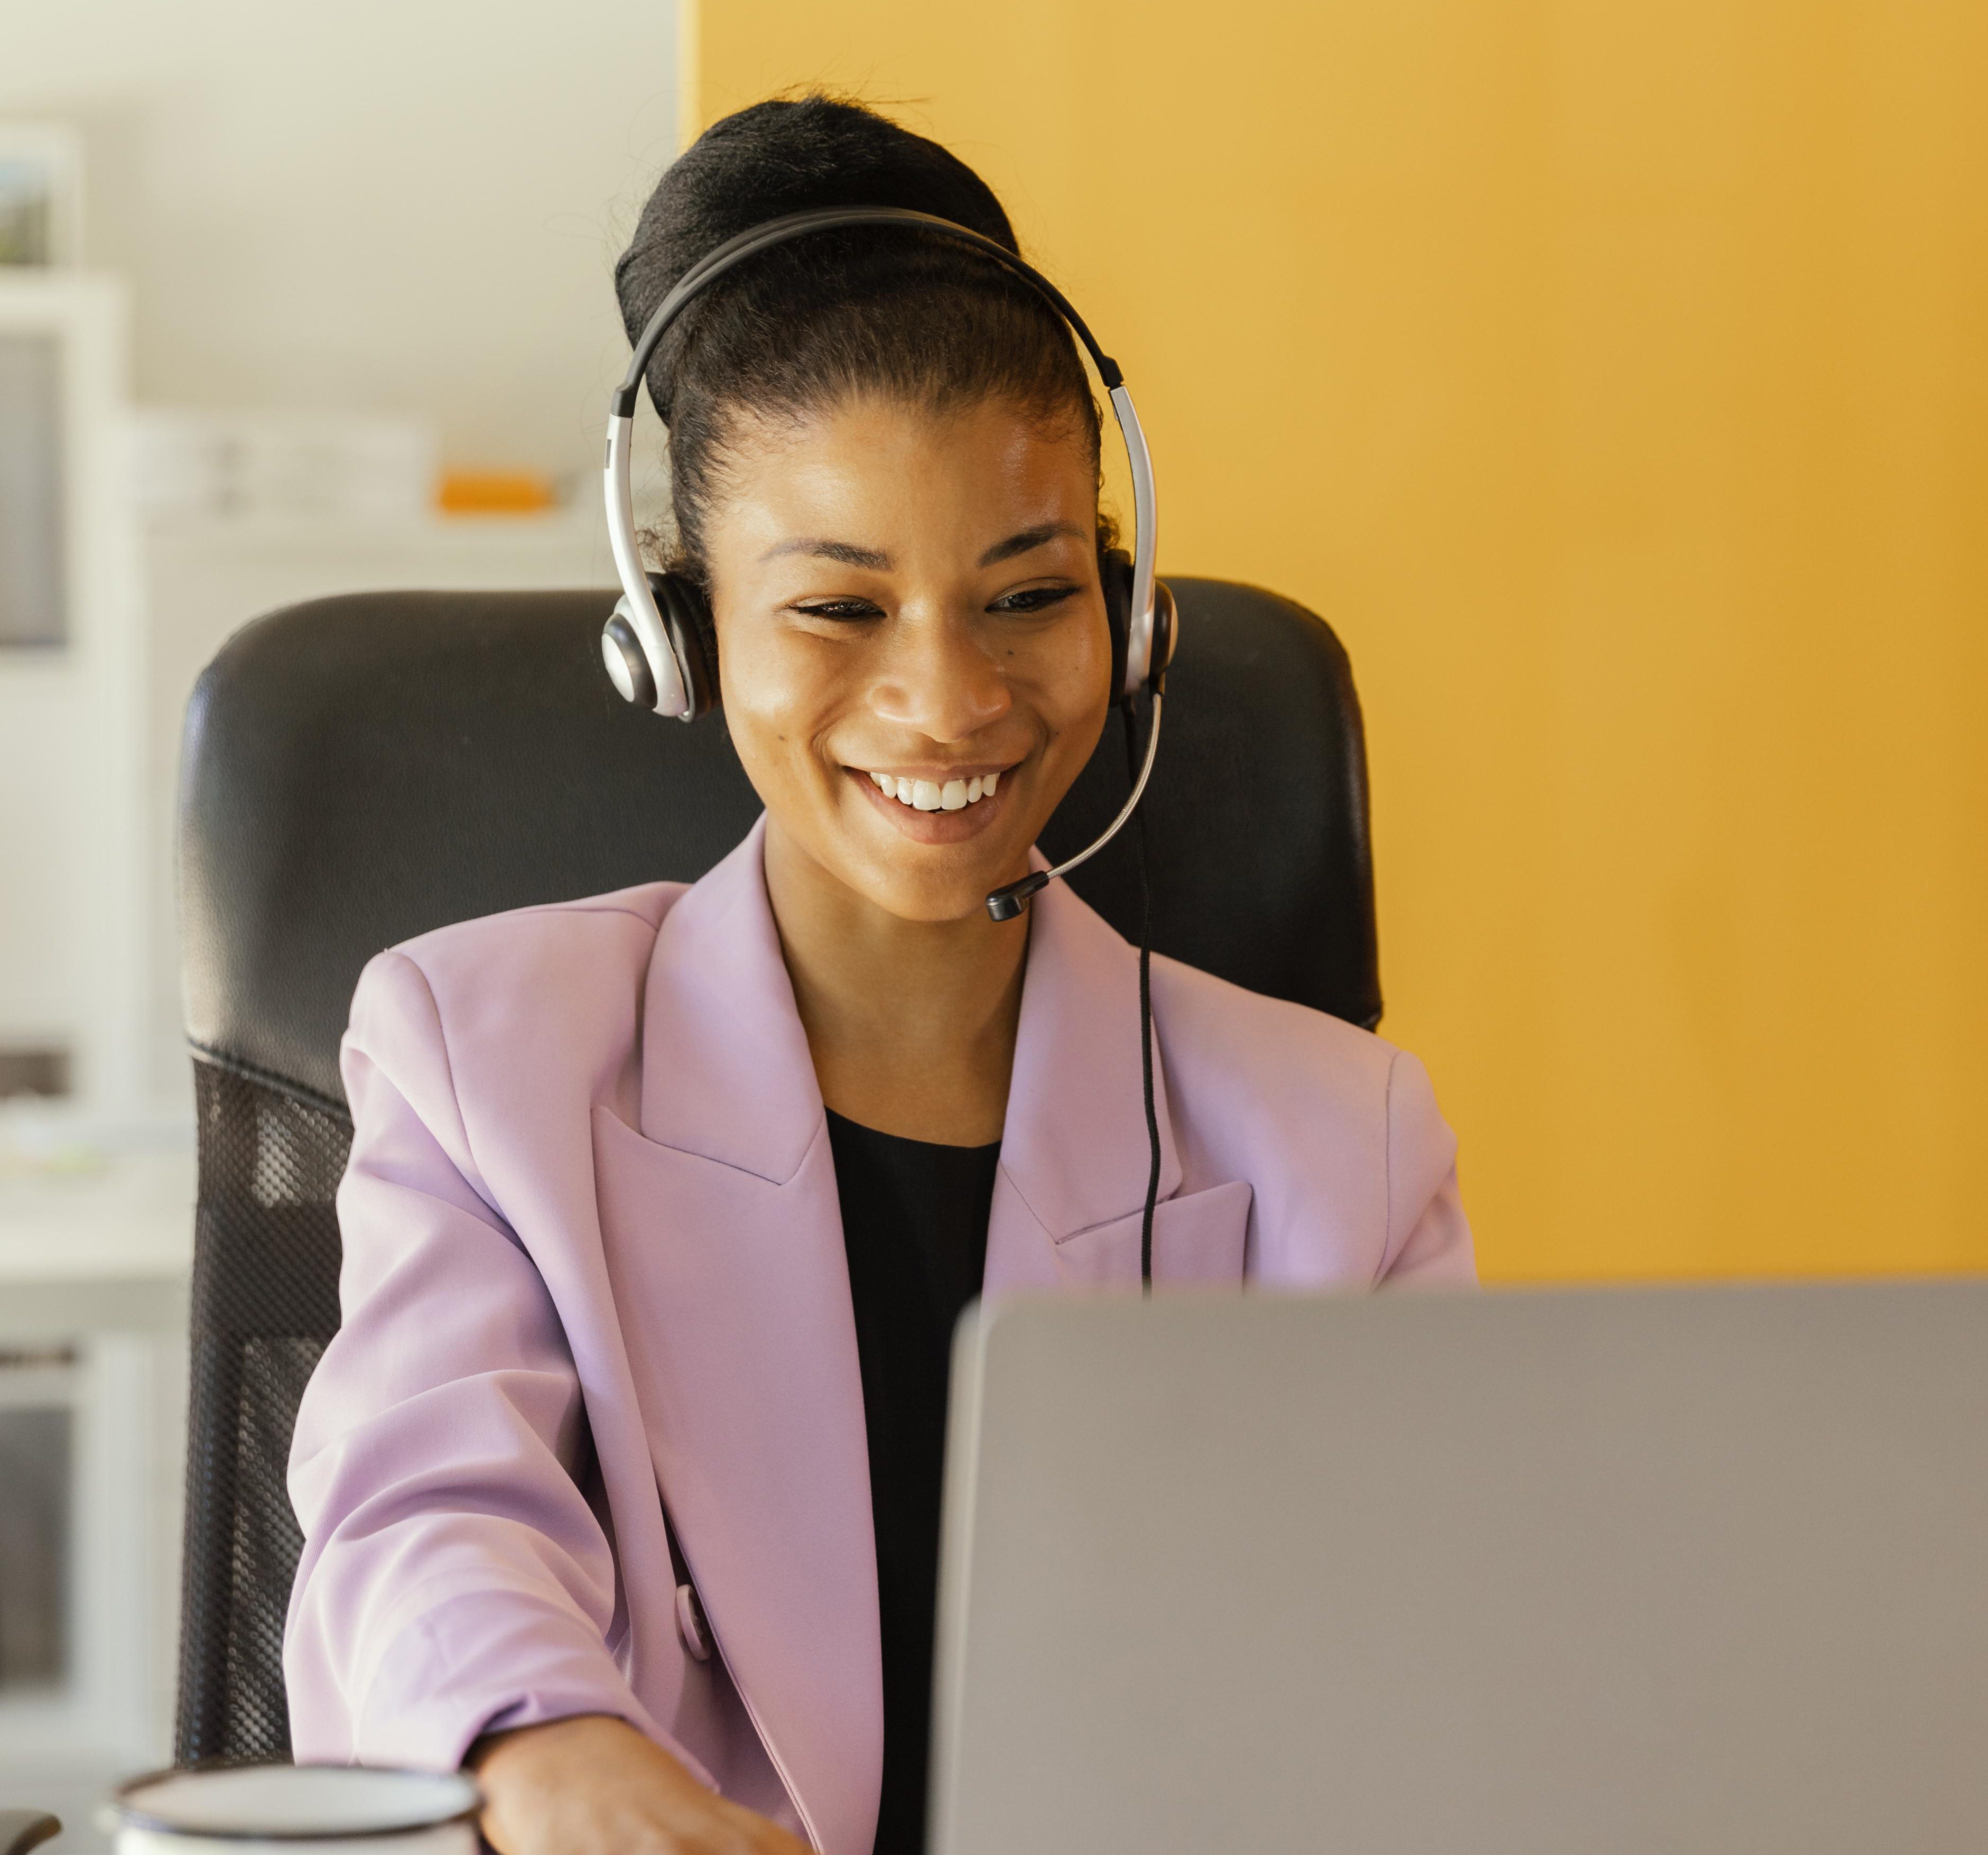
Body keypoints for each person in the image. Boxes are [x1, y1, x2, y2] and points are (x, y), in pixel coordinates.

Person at [282, 94, 1474, 1855]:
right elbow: (419, 1519)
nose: (950, 701)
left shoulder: (1338, 1139)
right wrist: (539, 1749)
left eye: (1026, 594)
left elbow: (1433, 1663)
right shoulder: (488, 1061)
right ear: (683, 642)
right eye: (839, 609)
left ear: (1129, 619)